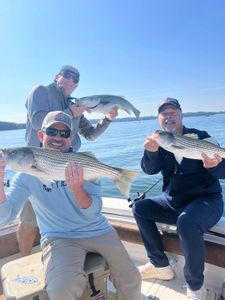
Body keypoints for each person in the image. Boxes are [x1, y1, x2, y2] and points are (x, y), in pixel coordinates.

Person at [0, 111, 142, 300]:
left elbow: (94, 212)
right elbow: (5, 217)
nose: (58, 137)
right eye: (52, 131)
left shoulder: (81, 163)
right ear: (41, 135)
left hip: (97, 229)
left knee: (132, 279)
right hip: (60, 237)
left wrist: (77, 189)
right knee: (60, 292)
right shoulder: (24, 177)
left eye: (64, 133)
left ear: (71, 138)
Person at [18, 65, 118, 256]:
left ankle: (69, 255)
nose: (72, 80)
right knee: (29, 218)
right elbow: (38, 121)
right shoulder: (40, 91)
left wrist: (107, 119)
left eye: (76, 78)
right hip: (38, 165)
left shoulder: (75, 103)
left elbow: (90, 134)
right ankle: (24, 259)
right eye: (68, 75)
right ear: (57, 76)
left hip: (67, 167)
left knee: (71, 212)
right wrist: (71, 113)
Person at [132, 98, 225, 300]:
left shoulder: (201, 137)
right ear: (159, 119)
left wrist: (214, 166)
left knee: (187, 222)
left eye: (173, 112)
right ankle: (160, 265)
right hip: (173, 201)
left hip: (206, 201)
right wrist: (150, 151)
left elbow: (223, 171)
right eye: (164, 113)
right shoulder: (159, 140)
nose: (169, 116)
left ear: (181, 115)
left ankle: (195, 287)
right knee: (140, 208)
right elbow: (149, 170)